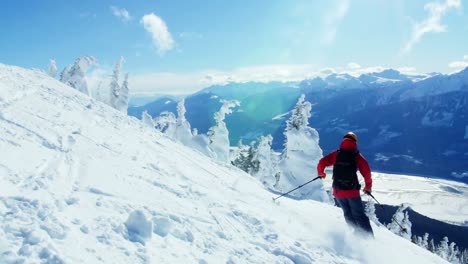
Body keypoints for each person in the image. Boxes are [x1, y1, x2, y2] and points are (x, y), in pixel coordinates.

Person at [317, 132, 374, 237]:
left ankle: (356, 236)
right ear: (355, 142)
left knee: (348, 214)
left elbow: (322, 162)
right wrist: (368, 187)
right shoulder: (357, 156)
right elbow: (367, 172)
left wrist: (321, 173)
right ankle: (369, 240)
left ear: (343, 141)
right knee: (359, 215)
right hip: (352, 192)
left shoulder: (337, 154)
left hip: (338, 192)